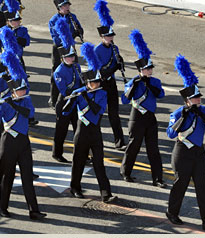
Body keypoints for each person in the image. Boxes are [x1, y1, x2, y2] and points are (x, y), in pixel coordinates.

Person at [166, 54, 205, 233]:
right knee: (180, 184)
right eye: (195, 98)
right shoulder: (178, 113)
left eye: (199, 97)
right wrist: (184, 115)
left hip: (198, 153)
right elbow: (171, 133)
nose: (199, 100)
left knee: (202, 187)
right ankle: (172, 212)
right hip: (182, 152)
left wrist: (202, 114)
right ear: (188, 100)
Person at [0, 49, 46, 220]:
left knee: (27, 177)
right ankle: (2, 206)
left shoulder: (26, 101)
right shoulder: (4, 105)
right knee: (7, 177)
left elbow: (29, 114)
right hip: (8, 142)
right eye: (19, 90)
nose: (23, 91)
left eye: (23, 89)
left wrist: (12, 104)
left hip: (23, 142)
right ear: (13, 91)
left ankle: (33, 210)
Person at [68, 42, 117, 203]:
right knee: (78, 161)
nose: (97, 84)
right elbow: (64, 111)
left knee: (98, 162)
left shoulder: (102, 94)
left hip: (95, 131)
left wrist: (86, 96)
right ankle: (75, 187)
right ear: (88, 83)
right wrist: (71, 98)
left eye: (97, 82)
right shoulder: (79, 93)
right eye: (94, 82)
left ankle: (106, 193)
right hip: (81, 131)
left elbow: (97, 110)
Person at [120, 29, 166, 188]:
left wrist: (149, 85)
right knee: (134, 146)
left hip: (150, 118)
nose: (150, 71)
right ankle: (125, 172)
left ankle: (158, 178)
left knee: (154, 150)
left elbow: (160, 95)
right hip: (136, 117)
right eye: (147, 69)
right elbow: (125, 100)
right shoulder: (132, 82)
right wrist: (135, 85)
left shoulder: (155, 81)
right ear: (140, 70)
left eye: (151, 68)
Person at [93, 0, 125, 150]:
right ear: (102, 37)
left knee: (114, 114)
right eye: (107, 36)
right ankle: (94, 140)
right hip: (101, 84)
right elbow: (102, 71)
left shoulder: (114, 47)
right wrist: (114, 68)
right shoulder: (97, 51)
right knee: (98, 114)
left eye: (111, 36)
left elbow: (118, 60)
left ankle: (120, 141)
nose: (110, 38)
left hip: (111, 83)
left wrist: (121, 64)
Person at [52, 17, 81, 163]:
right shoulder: (58, 71)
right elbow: (64, 91)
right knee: (61, 131)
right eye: (69, 57)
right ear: (63, 57)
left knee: (79, 129)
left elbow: (81, 79)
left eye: (72, 56)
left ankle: (81, 154)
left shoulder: (76, 67)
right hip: (65, 102)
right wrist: (78, 90)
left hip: (76, 101)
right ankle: (57, 153)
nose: (71, 58)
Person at [48, 0, 83, 109]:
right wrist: (69, 35)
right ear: (59, 8)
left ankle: (76, 95)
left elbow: (80, 29)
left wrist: (78, 31)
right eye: (64, 6)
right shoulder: (54, 20)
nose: (67, 7)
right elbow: (56, 37)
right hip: (59, 48)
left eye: (68, 5)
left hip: (71, 47)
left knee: (75, 69)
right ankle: (53, 99)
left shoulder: (72, 17)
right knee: (56, 71)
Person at [0, 0, 29, 72]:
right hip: (6, 56)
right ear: (8, 22)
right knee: (4, 74)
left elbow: (26, 42)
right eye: (15, 21)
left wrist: (15, 39)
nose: (17, 23)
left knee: (21, 73)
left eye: (18, 21)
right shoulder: (1, 30)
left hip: (18, 56)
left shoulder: (23, 30)